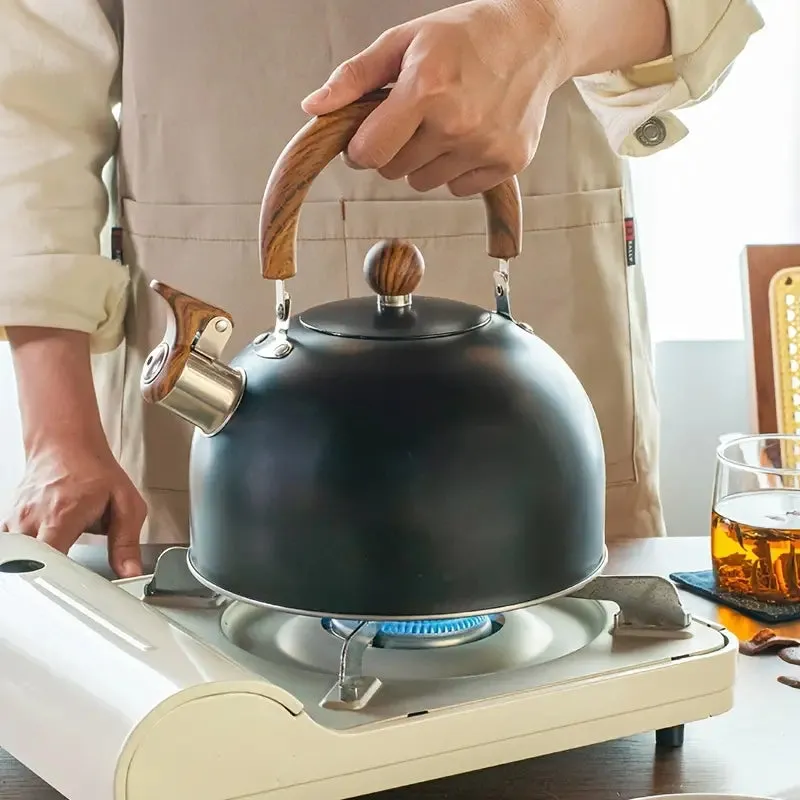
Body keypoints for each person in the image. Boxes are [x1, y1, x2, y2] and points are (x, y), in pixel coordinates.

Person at [0, 0, 763, 578]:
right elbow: (28, 92)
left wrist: (545, 29)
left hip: (541, 286)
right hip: (214, 293)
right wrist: (56, 434)